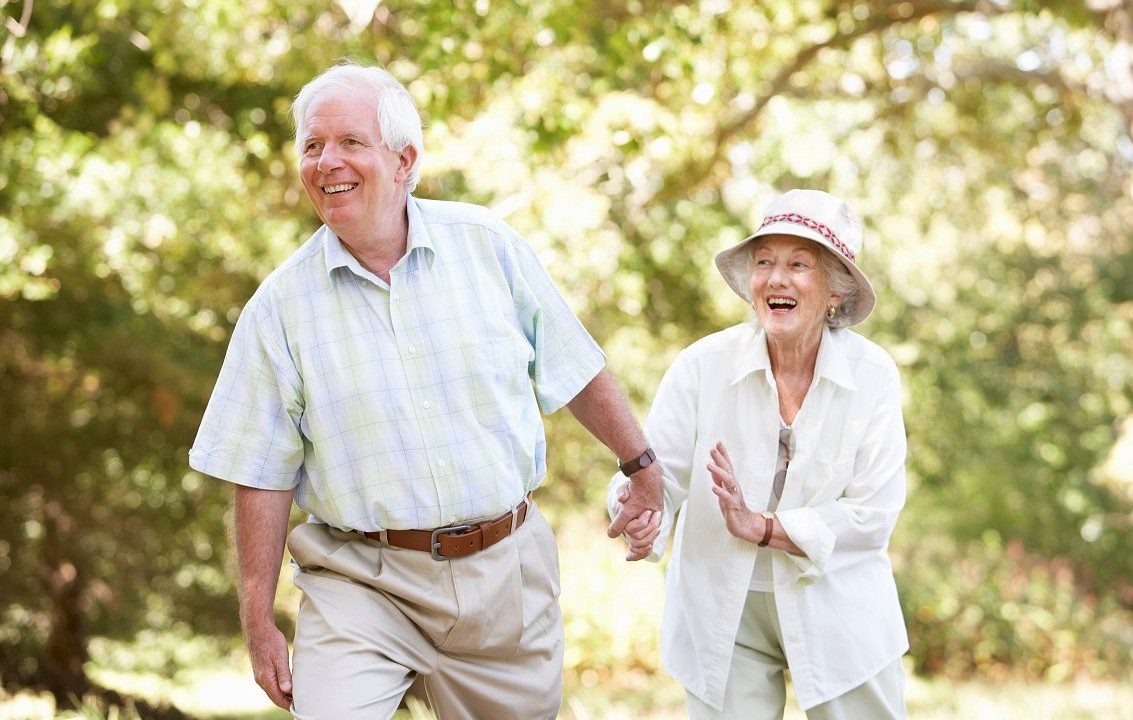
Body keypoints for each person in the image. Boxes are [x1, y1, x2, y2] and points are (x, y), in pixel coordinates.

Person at [189, 61, 662, 720]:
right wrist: (257, 615)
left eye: (350, 142)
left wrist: (640, 465)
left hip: (505, 576)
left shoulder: (488, 246)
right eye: (312, 145)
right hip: (364, 581)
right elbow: (261, 471)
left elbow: (572, 365)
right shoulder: (278, 308)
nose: (327, 161)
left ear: (405, 158)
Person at [611, 189, 908, 719]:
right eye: (764, 261)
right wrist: (641, 514)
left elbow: (874, 513)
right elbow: (661, 477)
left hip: (838, 599)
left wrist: (766, 526)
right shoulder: (701, 366)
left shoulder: (873, 375)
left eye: (799, 264)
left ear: (835, 291)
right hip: (723, 601)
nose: (776, 278)